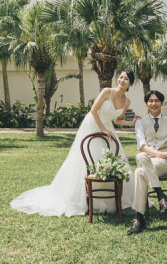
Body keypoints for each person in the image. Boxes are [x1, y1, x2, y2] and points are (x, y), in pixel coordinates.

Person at [11, 70, 141, 216]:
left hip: (108, 129)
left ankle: (109, 198)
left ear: (130, 83)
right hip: (93, 124)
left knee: (111, 159)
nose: (122, 80)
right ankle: (83, 199)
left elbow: (117, 120)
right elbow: (93, 110)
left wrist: (131, 122)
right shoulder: (107, 91)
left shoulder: (126, 101)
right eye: (120, 77)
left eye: (126, 79)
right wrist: (103, 129)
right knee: (87, 158)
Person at [127, 89, 167, 235]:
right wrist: (162, 154)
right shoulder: (140, 123)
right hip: (150, 161)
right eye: (150, 101)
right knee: (140, 160)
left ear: (161, 103)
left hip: (163, 165)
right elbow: (142, 146)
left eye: (156, 101)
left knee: (140, 166)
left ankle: (138, 219)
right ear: (146, 104)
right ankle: (161, 196)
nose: (153, 103)